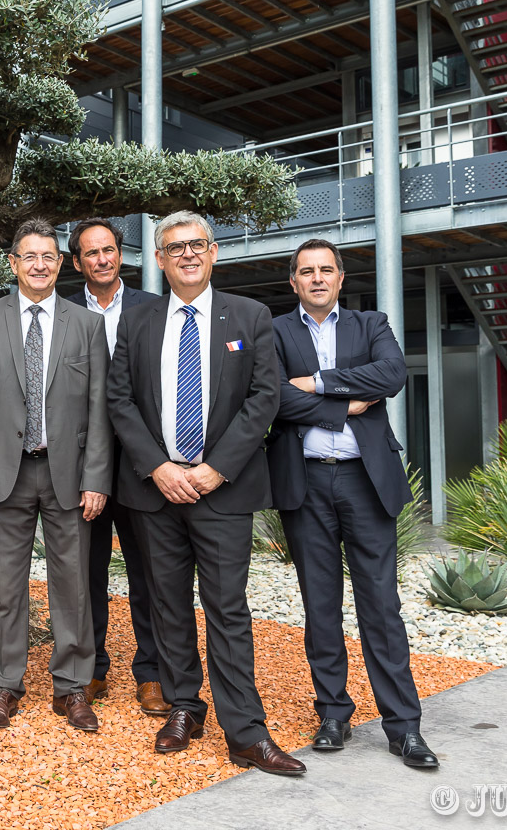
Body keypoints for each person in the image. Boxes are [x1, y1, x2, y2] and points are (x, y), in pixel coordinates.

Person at [107, 210, 305, 776]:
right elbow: (119, 400)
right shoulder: (138, 322)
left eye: (197, 245)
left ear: (214, 252)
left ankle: (244, 732)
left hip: (223, 490)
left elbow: (264, 397)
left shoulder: (251, 315)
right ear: (162, 260)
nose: (188, 254)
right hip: (157, 490)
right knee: (167, 605)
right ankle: (185, 707)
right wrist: (157, 467)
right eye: (175, 247)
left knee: (226, 609)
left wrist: (216, 468)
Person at [266, 238, 439, 769]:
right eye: (306, 271)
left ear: (341, 278)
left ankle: (403, 727)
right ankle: (333, 714)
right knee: (320, 606)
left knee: (381, 606)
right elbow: (273, 394)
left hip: (366, 481)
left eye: (326, 270)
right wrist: (346, 404)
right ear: (293, 282)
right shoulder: (274, 331)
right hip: (306, 483)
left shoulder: (371, 325)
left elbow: (392, 375)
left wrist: (318, 384)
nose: (317, 278)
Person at [0, 219, 113, 733]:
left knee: (72, 585)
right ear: (13, 263)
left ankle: (72, 688)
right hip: (6, 472)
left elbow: (99, 409)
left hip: (68, 472)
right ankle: (4, 685)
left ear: (61, 263)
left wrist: (97, 478)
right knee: (5, 587)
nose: (40, 265)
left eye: (49, 256)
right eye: (30, 256)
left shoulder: (85, 324)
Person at [64, 217, 168, 717]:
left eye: (108, 250)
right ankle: (92, 668)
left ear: (120, 255)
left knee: (149, 573)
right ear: (77, 261)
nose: (101, 260)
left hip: (142, 464)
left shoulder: (154, 307)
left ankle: (151, 673)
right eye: (90, 253)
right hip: (82, 465)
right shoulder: (61, 311)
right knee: (86, 573)